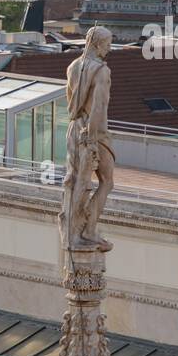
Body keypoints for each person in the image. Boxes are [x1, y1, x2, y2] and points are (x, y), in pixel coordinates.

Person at [62, 26, 114, 252]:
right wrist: (93, 138)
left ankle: (73, 230)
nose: (109, 49)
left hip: (74, 129)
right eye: (108, 43)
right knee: (106, 181)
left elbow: (70, 101)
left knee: (76, 182)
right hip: (92, 132)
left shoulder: (73, 66)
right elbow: (99, 108)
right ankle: (89, 230)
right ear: (96, 44)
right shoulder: (101, 71)